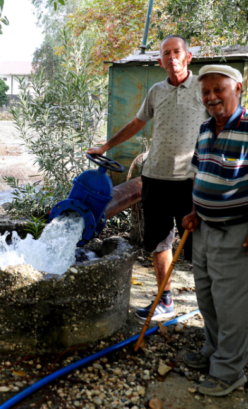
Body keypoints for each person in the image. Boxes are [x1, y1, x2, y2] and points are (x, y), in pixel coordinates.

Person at [181, 64, 248, 397]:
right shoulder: (205, 128)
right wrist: (195, 211)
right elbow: (200, 175)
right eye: (206, 92)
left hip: (239, 232)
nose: (211, 97)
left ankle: (229, 372)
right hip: (204, 231)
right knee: (208, 298)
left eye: (218, 90)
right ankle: (213, 353)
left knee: (233, 307)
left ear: (238, 89)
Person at [88, 35, 208, 321]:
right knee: (159, 243)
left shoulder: (203, 88)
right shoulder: (156, 91)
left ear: (188, 56)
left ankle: (210, 307)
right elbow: (135, 124)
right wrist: (105, 147)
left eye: (177, 51)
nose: (172, 57)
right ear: (160, 61)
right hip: (154, 179)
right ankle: (164, 300)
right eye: (166, 53)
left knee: (198, 247)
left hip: (191, 182)